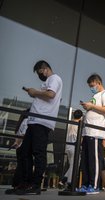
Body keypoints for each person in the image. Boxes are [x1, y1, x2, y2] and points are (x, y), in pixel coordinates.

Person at [16, 60, 62, 195]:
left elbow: (50, 94)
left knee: (38, 152)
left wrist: (34, 92)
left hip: (42, 121)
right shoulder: (48, 81)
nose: (39, 75)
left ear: (45, 69)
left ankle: (35, 185)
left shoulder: (54, 78)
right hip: (34, 121)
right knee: (25, 152)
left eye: (39, 72)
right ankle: (26, 183)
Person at [78, 73, 105, 194]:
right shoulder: (95, 95)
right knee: (86, 160)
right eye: (90, 86)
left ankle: (94, 185)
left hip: (96, 132)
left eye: (92, 85)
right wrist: (88, 107)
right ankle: (86, 184)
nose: (91, 87)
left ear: (98, 83)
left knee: (94, 160)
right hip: (88, 132)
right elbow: (95, 108)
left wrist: (92, 105)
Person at [5, 108, 30, 194]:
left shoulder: (21, 122)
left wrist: (16, 143)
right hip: (22, 145)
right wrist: (17, 142)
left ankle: (16, 184)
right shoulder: (27, 121)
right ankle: (20, 184)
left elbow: (18, 134)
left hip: (18, 147)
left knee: (20, 165)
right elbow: (23, 134)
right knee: (23, 166)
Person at [58, 109, 83, 190]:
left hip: (68, 147)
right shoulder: (79, 124)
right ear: (81, 117)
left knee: (73, 165)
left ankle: (63, 180)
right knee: (75, 165)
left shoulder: (70, 123)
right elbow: (81, 138)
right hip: (74, 147)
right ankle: (69, 184)